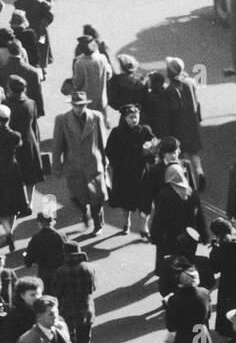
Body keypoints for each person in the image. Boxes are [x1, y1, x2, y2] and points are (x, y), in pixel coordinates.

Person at [52, 92, 108, 237]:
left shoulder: (96, 117)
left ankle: (98, 224)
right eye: (76, 106)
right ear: (72, 105)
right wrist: (56, 166)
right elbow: (57, 145)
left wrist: (105, 160)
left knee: (97, 197)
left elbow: (103, 141)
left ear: (86, 104)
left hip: (93, 164)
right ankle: (84, 213)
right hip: (74, 165)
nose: (79, 109)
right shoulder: (62, 119)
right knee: (77, 197)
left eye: (82, 105)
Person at [149, 163, 208, 299]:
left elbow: (159, 219)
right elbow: (200, 216)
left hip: (170, 238)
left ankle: (173, 293)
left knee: (170, 265)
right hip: (190, 238)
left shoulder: (164, 194)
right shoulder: (192, 193)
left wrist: (155, 236)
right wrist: (204, 235)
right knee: (186, 263)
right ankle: (185, 286)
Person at [105, 104, 153, 237]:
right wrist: (118, 165)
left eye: (136, 117)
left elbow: (154, 146)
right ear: (124, 118)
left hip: (142, 172)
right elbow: (109, 151)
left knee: (146, 202)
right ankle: (127, 223)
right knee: (126, 202)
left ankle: (144, 227)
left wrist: (150, 150)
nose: (134, 120)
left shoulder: (145, 130)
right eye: (131, 117)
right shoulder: (117, 133)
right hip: (124, 173)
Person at [164, 58, 205, 191]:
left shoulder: (170, 89)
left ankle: (188, 180)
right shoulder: (191, 82)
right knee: (193, 151)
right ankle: (200, 172)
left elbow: (172, 109)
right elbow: (197, 103)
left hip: (178, 125)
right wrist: (198, 119)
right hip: (191, 122)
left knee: (181, 153)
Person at [7, 79, 44, 204]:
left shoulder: (6, 104)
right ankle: (30, 201)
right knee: (30, 174)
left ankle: (21, 201)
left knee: (16, 174)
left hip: (12, 143)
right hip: (29, 140)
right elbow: (34, 125)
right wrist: (37, 142)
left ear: (10, 89)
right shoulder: (31, 103)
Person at [0, 105, 30, 253]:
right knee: (12, 203)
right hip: (12, 170)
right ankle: (10, 232)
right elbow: (19, 145)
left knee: (2, 205)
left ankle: (7, 232)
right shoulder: (14, 136)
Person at [72, 35, 110, 118]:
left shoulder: (79, 62)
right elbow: (109, 75)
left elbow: (77, 83)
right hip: (101, 100)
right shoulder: (102, 58)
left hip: (86, 101)